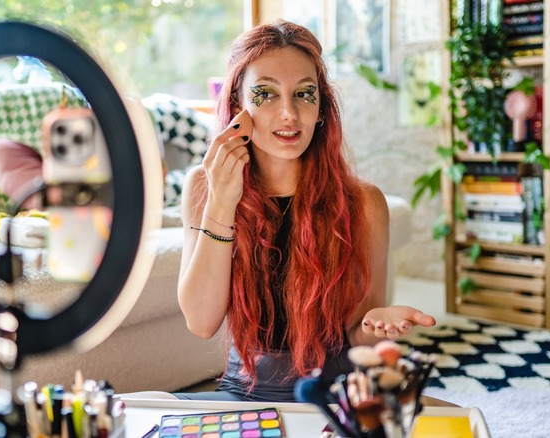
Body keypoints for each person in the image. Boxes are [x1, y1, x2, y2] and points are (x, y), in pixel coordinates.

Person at [173, 19, 438, 403]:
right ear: (236, 107)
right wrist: (222, 200)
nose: (289, 114)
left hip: (333, 395)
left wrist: (375, 324)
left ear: (321, 109)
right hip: (242, 393)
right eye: (266, 94)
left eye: (304, 94)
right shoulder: (203, 185)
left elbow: (357, 333)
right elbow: (200, 322)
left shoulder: (365, 203)